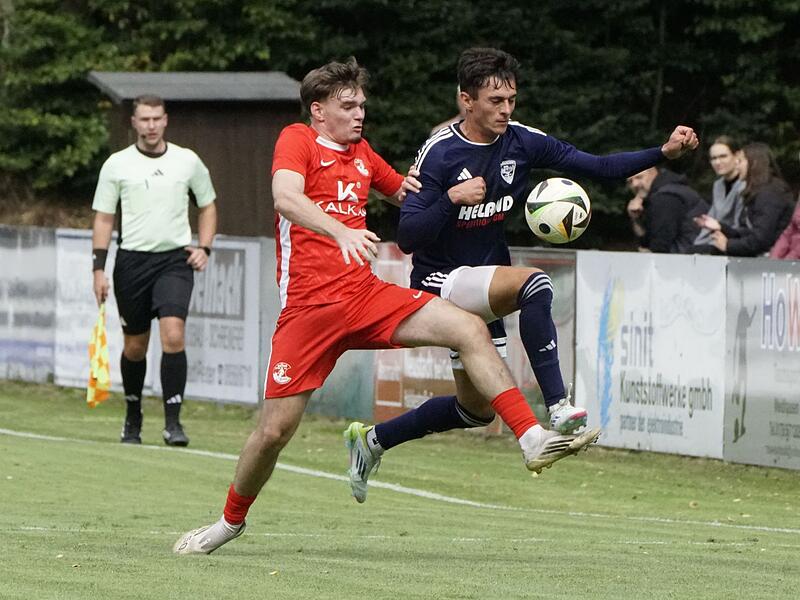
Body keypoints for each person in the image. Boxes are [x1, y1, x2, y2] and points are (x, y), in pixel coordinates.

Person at [173, 58, 599, 555]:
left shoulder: (363, 155)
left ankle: (530, 438)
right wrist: (341, 230)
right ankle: (228, 523)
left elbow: (411, 196)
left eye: (362, 106)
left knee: (468, 328)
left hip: (364, 295)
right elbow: (285, 198)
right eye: (348, 106)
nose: (359, 115)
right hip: (309, 311)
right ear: (318, 110)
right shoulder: (298, 140)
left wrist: (454, 187)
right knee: (273, 432)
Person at [342, 47, 699, 504]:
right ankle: (560, 408)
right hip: (440, 282)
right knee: (535, 284)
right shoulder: (440, 154)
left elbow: (597, 167)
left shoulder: (522, 141)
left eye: (511, 99)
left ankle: (372, 441)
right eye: (495, 101)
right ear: (466, 100)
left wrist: (662, 153)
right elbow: (408, 236)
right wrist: (451, 198)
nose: (506, 109)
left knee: (474, 412)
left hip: (483, 282)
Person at [91, 94, 217, 447]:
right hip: (131, 261)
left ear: (165, 121)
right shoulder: (117, 165)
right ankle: (133, 416)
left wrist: (204, 247)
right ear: (134, 122)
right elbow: (103, 217)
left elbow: (207, 205)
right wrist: (98, 269)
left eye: (156, 119)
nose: (150, 126)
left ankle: (173, 423)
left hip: (174, 261)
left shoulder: (187, 161)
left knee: (173, 335)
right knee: (135, 346)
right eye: (143, 119)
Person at [695, 142, 793, 256]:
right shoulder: (761, 191)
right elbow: (752, 232)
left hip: (771, 260)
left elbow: (760, 240)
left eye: (740, 161)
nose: (736, 165)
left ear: (753, 164)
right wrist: (722, 227)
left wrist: (728, 245)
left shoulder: (769, 194)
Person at [626, 166, 708, 253]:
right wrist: (636, 219)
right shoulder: (666, 191)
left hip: (690, 259)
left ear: (653, 173)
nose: (634, 184)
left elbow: (659, 247)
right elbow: (646, 242)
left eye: (639, 177)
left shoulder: (665, 197)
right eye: (630, 181)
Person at [693, 136, 745, 251]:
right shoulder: (718, 185)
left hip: (734, 241)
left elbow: (740, 225)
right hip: (715, 239)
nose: (717, 162)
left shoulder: (745, 185)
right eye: (713, 158)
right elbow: (713, 217)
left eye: (723, 156)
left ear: (737, 155)